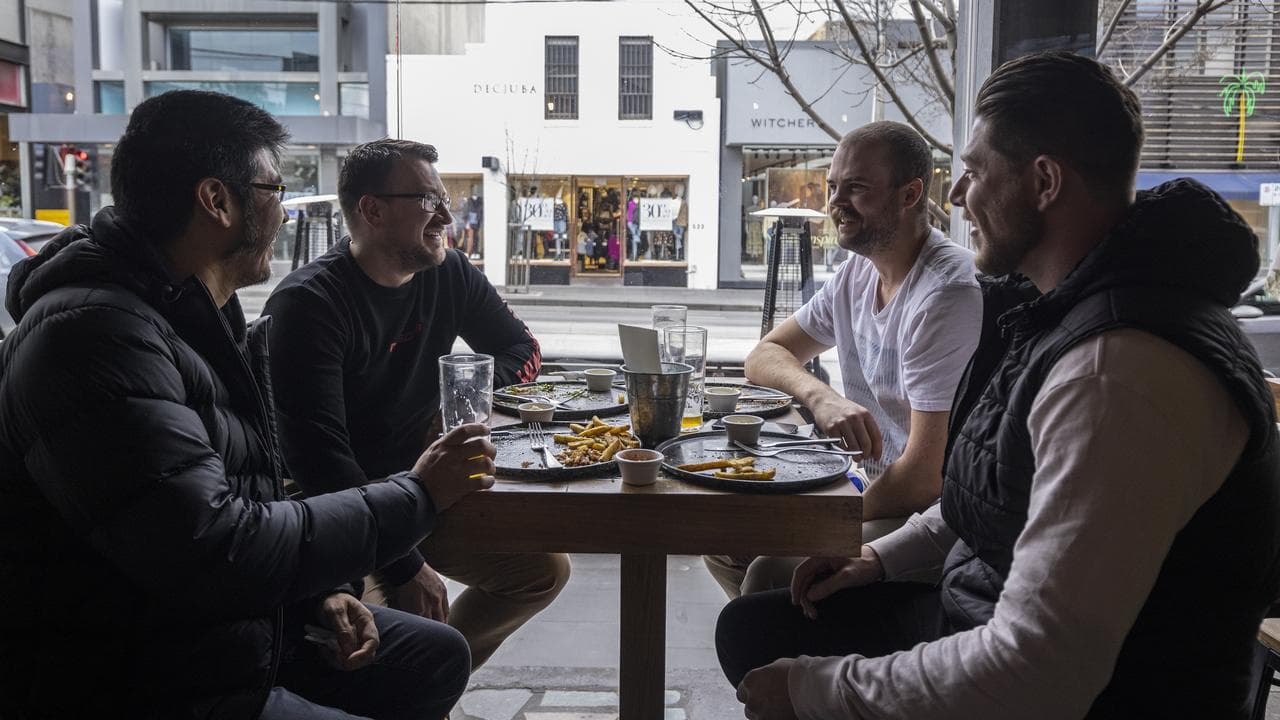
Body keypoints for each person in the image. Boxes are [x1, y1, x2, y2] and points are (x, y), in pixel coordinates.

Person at [717, 51, 1280, 720]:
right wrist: (880, 559)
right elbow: (985, 493)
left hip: (1105, 693)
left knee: (767, 643)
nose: (955, 196)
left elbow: (1038, 669)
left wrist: (817, 691)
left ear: (1043, 181)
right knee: (756, 626)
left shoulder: (1118, 370)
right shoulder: (1063, 311)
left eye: (976, 172)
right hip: (980, 607)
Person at [0, 90, 490, 720]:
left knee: (437, 653)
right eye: (274, 190)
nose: (284, 214)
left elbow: (230, 500)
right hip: (133, 671)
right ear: (217, 201)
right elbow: (213, 548)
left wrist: (316, 597)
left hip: (201, 626)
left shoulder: (190, 312)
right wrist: (418, 495)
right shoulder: (97, 337)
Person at [263, 138, 569, 671]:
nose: (448, 216)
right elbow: (321, 467)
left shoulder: (447, 272)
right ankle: (417, 678)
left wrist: (464, 398)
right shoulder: (308, 305)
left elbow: (523, 349)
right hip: (337, 508)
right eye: (429, 202)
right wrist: (405, 568)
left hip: (423, 485)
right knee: (363, 649)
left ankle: (434, 676)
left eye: (445, 200)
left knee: (541, 570)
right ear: (373, 210)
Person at [704, 121, 983, 598]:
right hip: (872, 487)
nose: (835, 202)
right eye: (833, 187)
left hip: (933, 517)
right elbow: (765, 354)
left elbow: (924, 476)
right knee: (726, 540)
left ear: (910, 193)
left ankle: (792, 653)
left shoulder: (947, 293)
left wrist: (828, 520)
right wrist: (822, 397)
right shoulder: (857, 271)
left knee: (773, 571)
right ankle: (792, 650)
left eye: (855, 188)